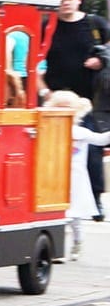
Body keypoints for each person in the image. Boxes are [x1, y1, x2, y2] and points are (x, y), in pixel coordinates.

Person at [43, 0, 110, 219]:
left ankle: (95, 202)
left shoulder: (95, 25)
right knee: (51, 154)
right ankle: (53, 201)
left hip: (88, 102)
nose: (65, 2)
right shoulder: (47, 26)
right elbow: (35, 60)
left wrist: (102, 60)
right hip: (55, 103)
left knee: (91, 153)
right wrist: (44, 92)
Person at [44, 91, 110, 255]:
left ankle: (77, 242)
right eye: (58, 108)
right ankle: (57, 250)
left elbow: (100, 139)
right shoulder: (48, 130)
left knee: (75, 217)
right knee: (59, 215)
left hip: (76, 178)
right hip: (54, 177)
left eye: (67, 109)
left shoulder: (79, 132)